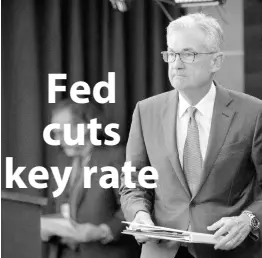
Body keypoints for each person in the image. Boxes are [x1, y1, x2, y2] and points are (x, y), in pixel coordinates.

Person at [119, 13, 262, 258]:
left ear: (216, 61)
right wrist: (139, 214)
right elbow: (134, 182)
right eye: (171, 54)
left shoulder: (253, 112)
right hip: (161, 250)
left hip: (227, 250)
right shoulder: (146, 111)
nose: (176, 63)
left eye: (188, 54)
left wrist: (249, 219)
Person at [41, 99, 140, 258]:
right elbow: (55, 207)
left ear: (86, 126)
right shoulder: (61, 161)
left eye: (62, 132)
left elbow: (134, 207)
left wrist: (102, 231)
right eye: (54, 133)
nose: (57, 139)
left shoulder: (115, 157)